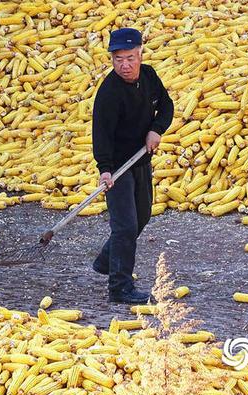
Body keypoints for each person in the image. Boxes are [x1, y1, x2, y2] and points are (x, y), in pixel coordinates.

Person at [91, 27, 175, 304]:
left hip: (140, 158)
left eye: (129, 58)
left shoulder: (149, 76)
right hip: (117, 167)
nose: (124, 65)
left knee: (142, 215)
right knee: (125, 226)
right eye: (118, 59)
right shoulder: (109, 93)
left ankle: (107, 260)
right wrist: (104, 169)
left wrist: (157, 129)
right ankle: (119, 287)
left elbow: (166, 106)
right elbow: (100, 135)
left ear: (140, 53)